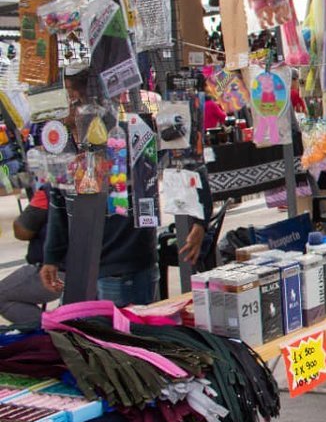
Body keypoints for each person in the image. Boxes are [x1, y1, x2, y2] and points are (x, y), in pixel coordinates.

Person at [42, 67, 205, 306]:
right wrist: (51, 258)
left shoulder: (128, 135)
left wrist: (199, 221)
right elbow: (58, 204)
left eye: (66, 94)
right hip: (82, 268)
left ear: (82, 98)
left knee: (125, 338)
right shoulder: (62, 146)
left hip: (123, 266)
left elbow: (184, 159)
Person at [0, 187, 61, 324]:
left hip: (59, 270)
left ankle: (54, 330)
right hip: (101, 268)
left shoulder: (50, 191)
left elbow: (22, 231)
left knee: (2, 295)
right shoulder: (112, 186)